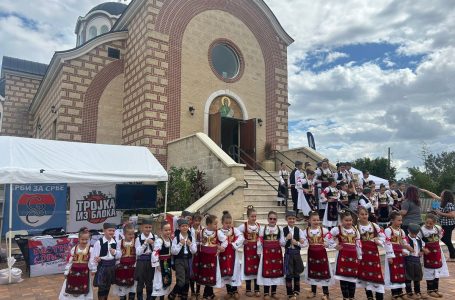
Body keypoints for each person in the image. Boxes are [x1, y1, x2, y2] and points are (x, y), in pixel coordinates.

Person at [329, 210, 362, 300]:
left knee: (352, 278)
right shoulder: (337, 229)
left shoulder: (355, 230)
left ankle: (352, 297)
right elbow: (327, 237)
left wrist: (359, 256)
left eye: (350, 220)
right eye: (346, 220)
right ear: (341, 221)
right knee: (343, 277)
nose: (349, 222)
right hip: (342, 257)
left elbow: (358, 244)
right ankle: (345, 297)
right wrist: (335, 246)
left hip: (353, 257)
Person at [356, 206, 385, 300]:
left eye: (366, 214)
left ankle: (379, 296)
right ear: (358, 215)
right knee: (365, 274)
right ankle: (369, 296)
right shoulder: (356, 227)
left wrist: (378, 240)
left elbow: (383, 236)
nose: (364, 216)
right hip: (363, 254)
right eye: (362, 214)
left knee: (377, 274)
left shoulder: (374, 225)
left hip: (373, 254)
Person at [302, 211, 333, 300]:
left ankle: (326, 293)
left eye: (318, 220)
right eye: (314, 220)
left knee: (324, 272)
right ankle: (313, 291)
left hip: (321, 254)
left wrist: (327, 244)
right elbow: (303, 242)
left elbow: (331, 239)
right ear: (309, 221)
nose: (316, 222)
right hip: (312, 254)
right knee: (312, 271)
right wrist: (301, 242)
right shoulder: (306, 231)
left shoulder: (324, 230)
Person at [59, 228, 96, 300]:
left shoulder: (90, 250)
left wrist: (93, 269)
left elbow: (92, 261)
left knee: (82, 289)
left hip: (84, 274)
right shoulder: (74, 249)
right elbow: (70, 261)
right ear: (79, 239)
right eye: (82, 239)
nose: (84, 241)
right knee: (72, 288)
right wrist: (66, 272)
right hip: (73, 274)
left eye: (86, 240)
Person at [196, 215, 227, 300]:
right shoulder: (202, 232)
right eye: (215, 224)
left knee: (211, 275)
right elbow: (198, 242)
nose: (217, 226)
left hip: (213, 257)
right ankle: (210, 294)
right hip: (204, 257)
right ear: (208, 224)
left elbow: (225, 240)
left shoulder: (218, 232)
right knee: (205, 275)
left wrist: (221, 248)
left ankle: (206, 295)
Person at [419, 214, 450, 298]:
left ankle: (435, 289)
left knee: (437, 270)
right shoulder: (421, 230)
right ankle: (430, 290)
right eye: (427, 223)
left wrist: (437, 239)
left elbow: (441, 233)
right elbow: (418, 240)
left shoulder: (437, 228)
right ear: (425, 221)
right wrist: (422, 248)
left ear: (434, 223)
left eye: (431, 223)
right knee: (430, 270)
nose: (428, 225)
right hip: (428, 253)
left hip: (437, 252)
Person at [384, 211, 413, 299]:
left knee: (400, 272)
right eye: (398, 220)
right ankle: (394, 293)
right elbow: (387, 243)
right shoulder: (388, 230)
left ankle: (400, 292)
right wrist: (390, 256)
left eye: (401, 220)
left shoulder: (401, 231)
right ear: (392, 220)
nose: (400, 222)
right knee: (393, 272)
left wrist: (405, 250)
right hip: (392, 255)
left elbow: (404, 242)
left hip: (400, 255)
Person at [420, 189, 455, 261]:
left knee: (446, 240)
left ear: (446, 196)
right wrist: (426, 191)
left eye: (442, 193)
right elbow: (434, 195)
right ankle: (453, 255)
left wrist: (440, 213)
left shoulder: (449, 204)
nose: (440, 194)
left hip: (449, 225)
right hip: (445, 224)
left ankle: (453, 255)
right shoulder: (443, 200)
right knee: (445, 239)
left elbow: (452, 215)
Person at [257, 211, 285, 299]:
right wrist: (259, 252)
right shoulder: (263, 229)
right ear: (267, 219)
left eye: (274, 219)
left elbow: (282, 242)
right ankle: (266, 293)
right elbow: (260, 242)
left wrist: (287, 239)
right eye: (270, 218)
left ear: (277, 220)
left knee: (275, 272)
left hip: (277, 254)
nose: (272, 220)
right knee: (267, 271)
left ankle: (273, 292)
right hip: (266, 254)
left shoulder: (280, 229)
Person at [219, 211, 244, 300]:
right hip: (224, 256)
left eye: (230, 223)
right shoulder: (219, 232)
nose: (228, 225)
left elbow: (241, 237)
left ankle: (235, 290)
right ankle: (229, 291)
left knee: (234, 272)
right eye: (226, 223)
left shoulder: (234, 230)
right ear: (222, 223)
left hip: (233, 255)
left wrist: (235, 245)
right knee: (226, 273)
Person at [169, 218, 197, 300]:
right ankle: (173, 293)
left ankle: (184, 295)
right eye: (183, 226)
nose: (185, 227)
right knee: (181, 280)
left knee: (187, 279)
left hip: (188, 260)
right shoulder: (176, 238)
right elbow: (173, 251)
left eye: (186, 226)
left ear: (188, 227)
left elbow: (194, 251)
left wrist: (190, 244)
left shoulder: (191, 238)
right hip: (179, 260)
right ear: (179, 227)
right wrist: (180, 244)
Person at [238, 206, 261, 297]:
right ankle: (248, 289)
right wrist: (243, 240)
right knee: (248, 269)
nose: (254, 218)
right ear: (248, 217)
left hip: (257, 250)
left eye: (255, 216)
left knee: (257, 268)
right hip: (248, 250)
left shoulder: (258, 226)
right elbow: (237, 234)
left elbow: (262, 236)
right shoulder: (244, 226)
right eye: (252, 216)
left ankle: (257, 289)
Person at [281, 211, 305, 300]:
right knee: (288, 273)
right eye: (290, 219)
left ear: (296, 219)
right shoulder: (283, 230)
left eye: (293, 219)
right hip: (288, 253)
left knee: (296, 272)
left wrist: (297, 243)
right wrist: (286, 238)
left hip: (296, 254)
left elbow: (304, 243)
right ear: (286, 219)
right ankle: (289, 293)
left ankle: (296, 290)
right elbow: (281, 243)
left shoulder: (299, 230)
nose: (292, 220)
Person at [92, 223, 119, 300]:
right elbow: (95, 256)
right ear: (104, 231)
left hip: (111, 267)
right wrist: (94, 267)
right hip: (102, 267)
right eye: (109, 230)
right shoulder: (98, 242)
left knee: (108, 286)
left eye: (113, 231)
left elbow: (118, 255)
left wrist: (115, 252)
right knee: (102, 287)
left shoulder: (115, 242)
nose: (111, 232)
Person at [135, 217, 156, 300]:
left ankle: (149, 298)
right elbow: (138, 252)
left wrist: (153, 244)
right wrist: (145, 243)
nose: (148, 229)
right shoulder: (138, 238)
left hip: (151, 262)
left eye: (149, 227)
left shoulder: (155, 237)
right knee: (140, 281)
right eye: (146, 227)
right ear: (142, 228)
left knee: (149, 281)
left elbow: (157, 250)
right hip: (141, 262)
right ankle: (140, 298)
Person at [113, 224, 137, 300]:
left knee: (132, 289)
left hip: (132, 269)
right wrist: (115, 252)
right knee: (122, 289)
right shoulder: (119, 242)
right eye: (129, 234)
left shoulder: (136, 242)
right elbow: (117, 256)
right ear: (124, 234)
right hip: (122, 270)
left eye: (133, 234)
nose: (131, 236)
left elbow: (138, 255)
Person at [151, 221, 173, 300]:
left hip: (167, 264)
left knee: (165, 282)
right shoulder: (159, 241)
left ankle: (162, 298)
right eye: (166, 230)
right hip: (161, 265)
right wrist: (157, 265)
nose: (168, 232)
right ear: (161, 230)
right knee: (159, 282)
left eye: (169, 230)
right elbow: (155, 253)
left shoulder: (170, 240)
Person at [404, 223, 427, 300]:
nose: (414, 235)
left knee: (417, 276)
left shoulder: (418, 239)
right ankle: (409, 293)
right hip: (409, 260)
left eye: (416, 234)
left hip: (417, 260)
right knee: (408, 277)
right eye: (412, 233)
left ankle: (418, 292)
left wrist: (422, 251)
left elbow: (422, 246)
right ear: (408, 231)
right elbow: (404, 249)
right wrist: (407, 251)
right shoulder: (406, 239)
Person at [190, 212, 203, 300]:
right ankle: (192, 292)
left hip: (200, 252)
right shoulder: (190, 230)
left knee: (199, 271)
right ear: (192, 221)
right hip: (192, 253)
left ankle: (198, 291)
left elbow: (204, 240)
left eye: (199, 221)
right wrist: (195, 235)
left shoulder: (202, 229)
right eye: (196, 220)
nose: (197, 222)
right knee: (192, 272)